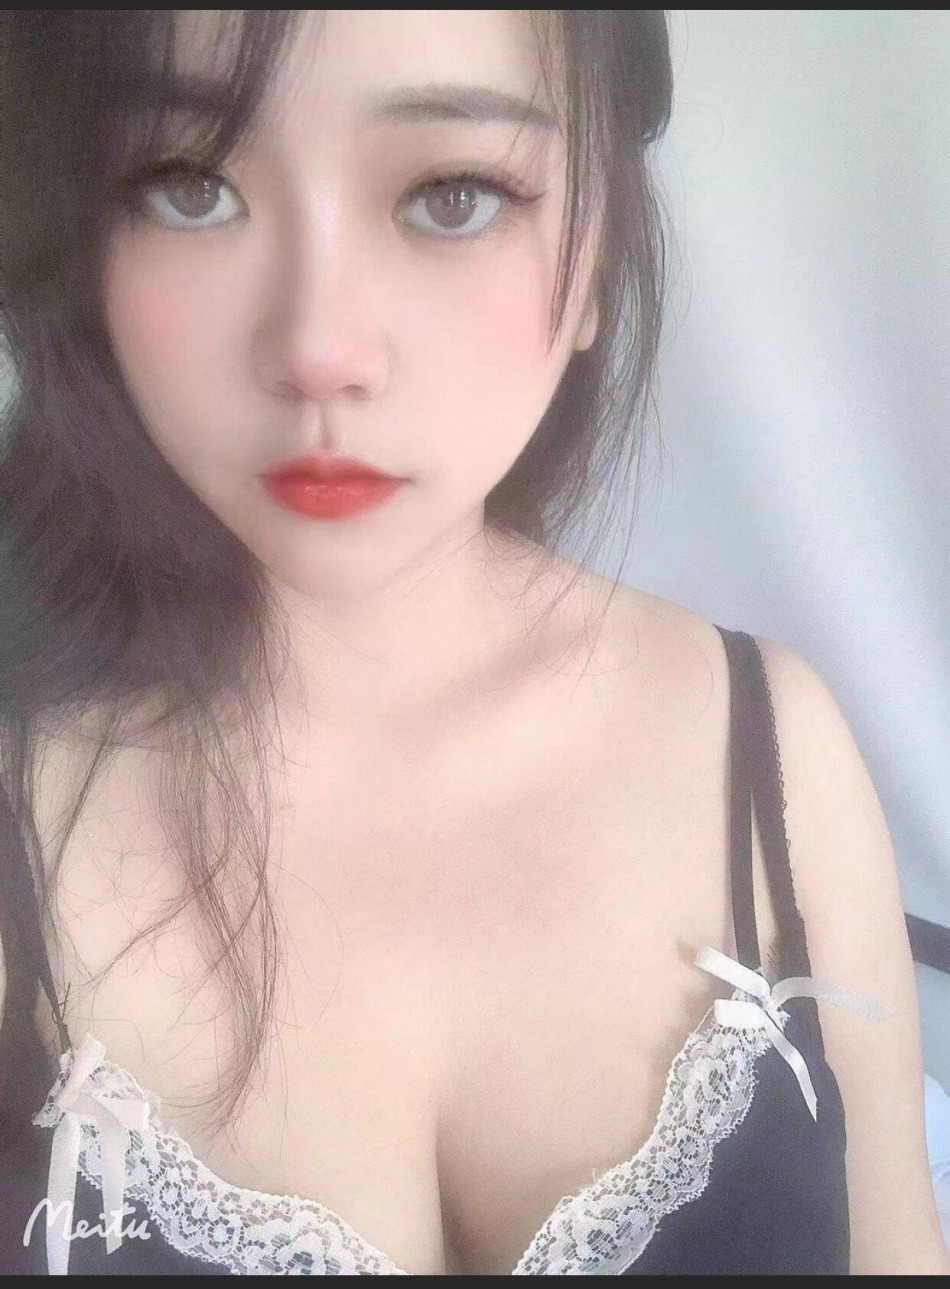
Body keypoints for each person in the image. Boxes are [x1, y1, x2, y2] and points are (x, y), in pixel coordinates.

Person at [0, 9, 945, 1276]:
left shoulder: (766, 736)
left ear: (598, 252)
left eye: (451, 195)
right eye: (188, 185)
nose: (319, 350)